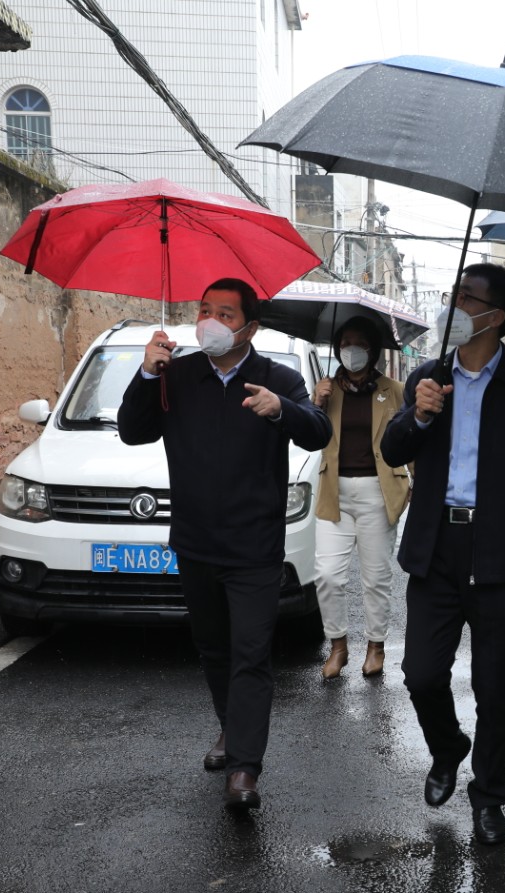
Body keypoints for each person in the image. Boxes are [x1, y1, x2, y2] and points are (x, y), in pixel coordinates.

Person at [117, 278, 331, 809]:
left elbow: (317, 431)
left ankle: (244, 769)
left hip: (254, 546)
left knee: (251, 655)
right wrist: (147, 374)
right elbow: (133, 431)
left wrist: (280, 409)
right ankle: (231, 727)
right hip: (195, 542)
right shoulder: (176, 375)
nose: (210, 322)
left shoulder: (277, 378)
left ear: (250, 328)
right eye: (204, 311)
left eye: (226, 314)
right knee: (214, 648)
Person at [380, 262, 505, 846]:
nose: (454, 306)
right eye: (453, 295)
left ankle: (489, 797)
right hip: (435, 546)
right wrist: (419, 415)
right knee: (420, 674)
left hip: (499, 551)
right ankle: (447, 748)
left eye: (467, 298)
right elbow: (392, 449)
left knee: (493, 688)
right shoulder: (427, 378)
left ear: (496, 316)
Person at [311, 315, 411, 681]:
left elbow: (409, 437)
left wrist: (415, 481)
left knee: (376, 577)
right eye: (345, 343)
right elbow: (310, 436)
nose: (351, 350)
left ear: (373, 349)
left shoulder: (394, 390)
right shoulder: (326, 389)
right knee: (327, 575)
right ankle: (338, 645)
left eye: (359, 343)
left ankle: (375, 646)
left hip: (378, 492)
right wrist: (316, 403)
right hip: (334, 492)